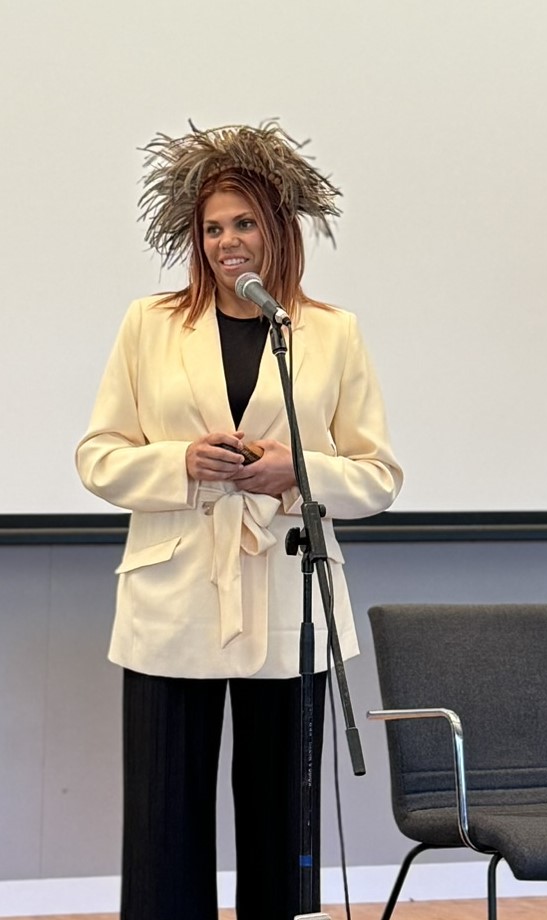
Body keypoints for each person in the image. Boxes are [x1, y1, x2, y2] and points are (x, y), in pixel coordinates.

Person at [75, 119, 403, 920]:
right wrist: (179, 463)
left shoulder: (330, 333)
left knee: (279, 833)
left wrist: (301, 473)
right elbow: (99, 455)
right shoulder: (148, 324)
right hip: (171, 601)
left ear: (280, 228)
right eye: (213, 227)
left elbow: (378, 476)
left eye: (245, 222)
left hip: (288, 602)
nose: (228, 242)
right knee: (163, 828)